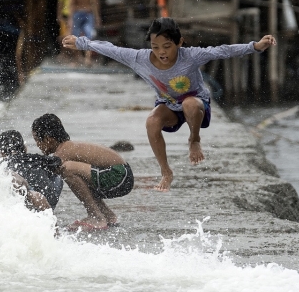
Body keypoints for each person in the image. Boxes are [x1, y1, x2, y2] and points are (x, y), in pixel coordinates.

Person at [62, 17, 276, 191]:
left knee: (189, 104)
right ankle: (166, 172)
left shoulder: (190, 56)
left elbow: (222, 50)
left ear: (179, 43)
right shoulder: (140, 58)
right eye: (155, 47)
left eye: (167, 46)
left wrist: (255, 46)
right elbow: (111, 49)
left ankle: (194, 140)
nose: (161, 52)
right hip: (169, 107)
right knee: (151, 121)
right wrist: (81, 43)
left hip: (197, 106)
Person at [31, 113, 134, 231]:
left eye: (37, 140)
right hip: (124, 175)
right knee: (80, 178)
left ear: (48, 139)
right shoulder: (69, 147)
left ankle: (96, 217)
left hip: (119, 175)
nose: (37, 145)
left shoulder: (63, 152)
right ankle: (108, 216)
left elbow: (47, 173)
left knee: (67, 169)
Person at [0, 130, 64, 212]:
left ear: (2, 153)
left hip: (23, 201)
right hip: (46, 199)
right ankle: (49, 211)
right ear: (25, 148)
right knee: (57, 177)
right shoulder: (34, 158)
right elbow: (57, 161)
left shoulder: (3, 165)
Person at [67, 0, 100, 67]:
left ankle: (76, 60)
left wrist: (70, 19)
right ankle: (87, 59)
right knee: (88, 36)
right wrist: (97, 16)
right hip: (88, 12)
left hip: (77, 13)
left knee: (75, 36)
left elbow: (71, 4)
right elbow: (95, 3)